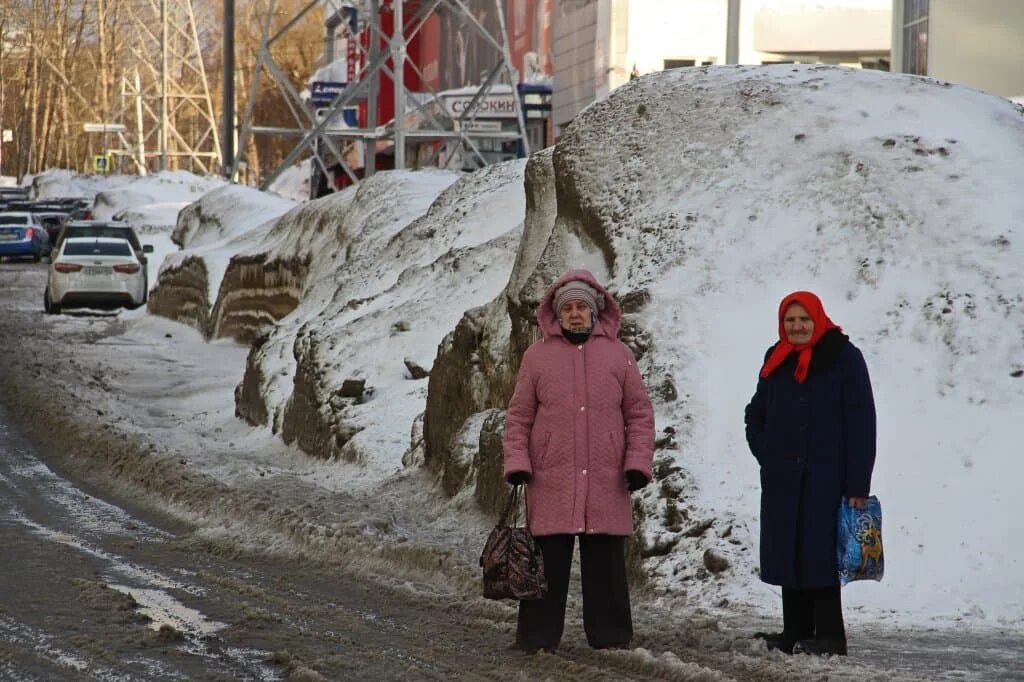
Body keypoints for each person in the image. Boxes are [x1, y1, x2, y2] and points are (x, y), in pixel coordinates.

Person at [502, 269, 655, 653]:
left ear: (594, 312)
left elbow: (639, 413)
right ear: (556, 314)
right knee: (547, 563)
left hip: (606, 478)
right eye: (566, 307)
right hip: (551, 477)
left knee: (605, 564)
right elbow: (519, 416)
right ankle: (536, 637)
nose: (574, 314)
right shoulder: (537, 357)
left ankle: (611, 636)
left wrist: (637, 462)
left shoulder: (619, 355)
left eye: (581, 307)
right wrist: (517, 461)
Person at [744, 291, 877, 656]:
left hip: (828, 477)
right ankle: (795, 631)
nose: (798, 326)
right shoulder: (776, 358)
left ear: (818, 319)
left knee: (821, 554)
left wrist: (857, 484)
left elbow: (861, 423)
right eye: (790, 320)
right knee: (790, 549)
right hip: (784, 478)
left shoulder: (844, 358)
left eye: (804, 319)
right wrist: (766, 452)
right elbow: (756, 413)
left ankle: (831, 635)